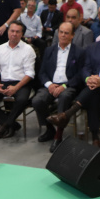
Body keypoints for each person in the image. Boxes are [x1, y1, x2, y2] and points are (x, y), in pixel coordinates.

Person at [47, 16, 100, 147]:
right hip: (95, 88)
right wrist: (89, 79)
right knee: (94, 93)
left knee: (93, 90)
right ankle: (95, 137)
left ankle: (68, 114)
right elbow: (85, 68)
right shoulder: (93, 47)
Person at [32, 22, 85, 152]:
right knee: (37, 100)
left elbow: (80, 75)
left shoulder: (79, 52)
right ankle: (50, 129)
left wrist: (64, 86)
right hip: (51, 84)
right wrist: (49, 85)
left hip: (68, 86)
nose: (63, 35)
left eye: (66, 33)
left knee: (64, 98)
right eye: (61, 32)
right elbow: (42, 72)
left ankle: (58, 136)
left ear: (72, 35)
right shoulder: (50, 50)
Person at [0, 21, 36, 140]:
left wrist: (16, 88)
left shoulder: (28, 50)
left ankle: (5, 126)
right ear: (8, 32)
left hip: (21, 83)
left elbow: (30, 73)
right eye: (12, 31)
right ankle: (12, 124)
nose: (14, 34)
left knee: (22, 99)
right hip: (3, 82)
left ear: (22, 34)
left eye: (17, 32)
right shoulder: (0, 49)